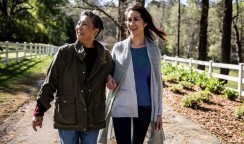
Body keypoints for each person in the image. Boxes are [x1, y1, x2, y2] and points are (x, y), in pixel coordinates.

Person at [32, 10, 114, 144]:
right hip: (67, 117)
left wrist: (109, 76)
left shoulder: (105, 57)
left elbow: (113, 69)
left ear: (95, 31)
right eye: (78, 23)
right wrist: (38, 112)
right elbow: (50, 83)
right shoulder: (64, 53)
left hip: (93, 118)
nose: (79, 27)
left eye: (85, 24)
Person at [98, 3, 166, 144]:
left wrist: (158, 112)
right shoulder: (119, 48)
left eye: (136, 19)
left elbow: (157, 83)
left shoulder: (153, 50)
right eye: (129, 19)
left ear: (145, 22)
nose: (131, 23)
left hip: (144, 106)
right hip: (121, 103)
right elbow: (109, 70)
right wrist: (109, 78)